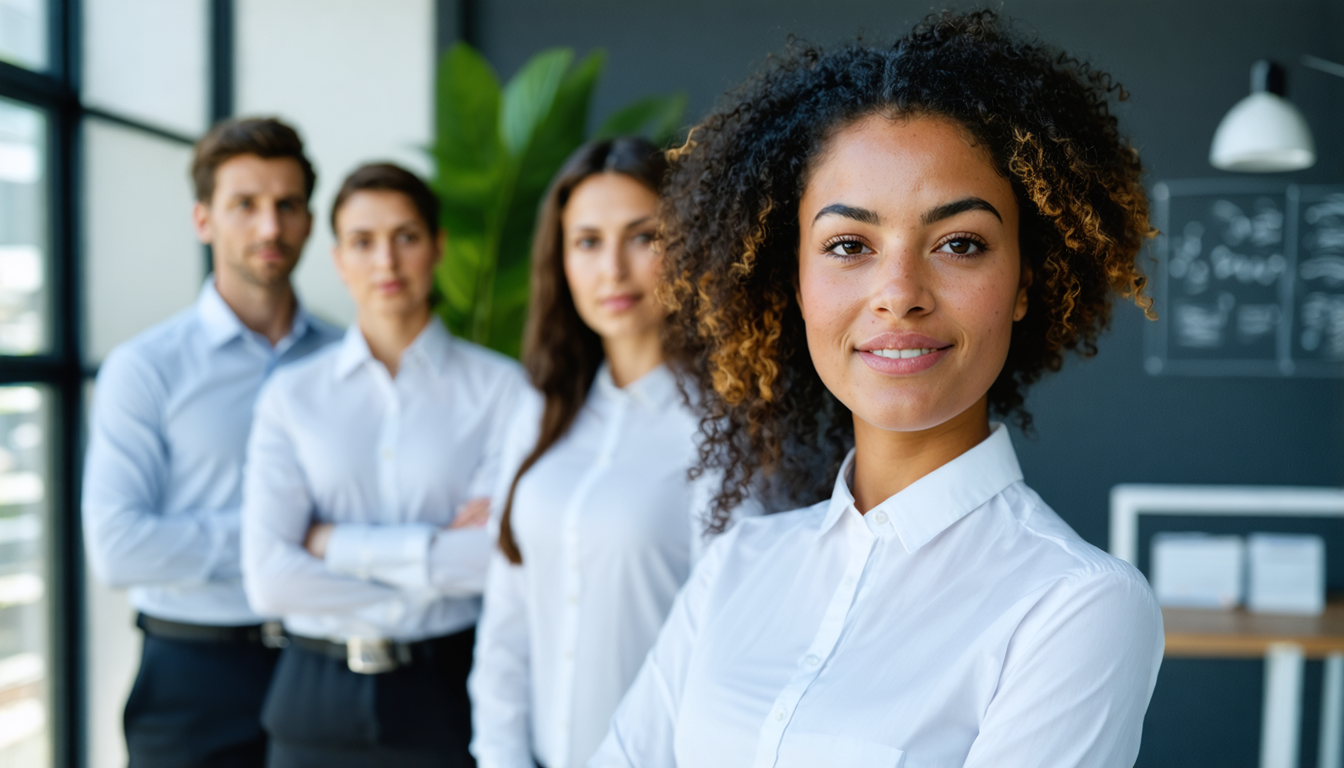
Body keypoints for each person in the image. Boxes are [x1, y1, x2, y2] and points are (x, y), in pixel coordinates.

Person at [591, 10, 1165, 768]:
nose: (899, 293)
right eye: (849, 246)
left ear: (1026, 281)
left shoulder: (1076, 607)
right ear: (792, 280)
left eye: (959, 243)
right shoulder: (739, 564)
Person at [467, 138, 745, 768]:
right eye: (587, 242)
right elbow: (507, 629)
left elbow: (726, 654)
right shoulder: (539, 413)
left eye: (643, 237)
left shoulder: (724, 431)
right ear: (560, 260)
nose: (611, 270)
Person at [241, 162, 525, 767]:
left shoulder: (504, 391)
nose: (386, 262)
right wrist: (431, 562)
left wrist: (328, 543)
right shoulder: (292, 396)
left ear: (438, 246)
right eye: (363, 243)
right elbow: (269, 579)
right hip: (311, 698)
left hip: (443, 689)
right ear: (338, 257)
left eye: (407, 237)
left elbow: (492, 561)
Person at [82, 117, 341, 766]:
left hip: (327, 662)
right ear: (204, 220)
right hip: (194, 674)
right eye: (244, 205)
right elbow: (117, 547)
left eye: (287, 205)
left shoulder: (348, 360)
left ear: (310, 221)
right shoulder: (146, 368)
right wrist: (285, 537)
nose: (269, 228)